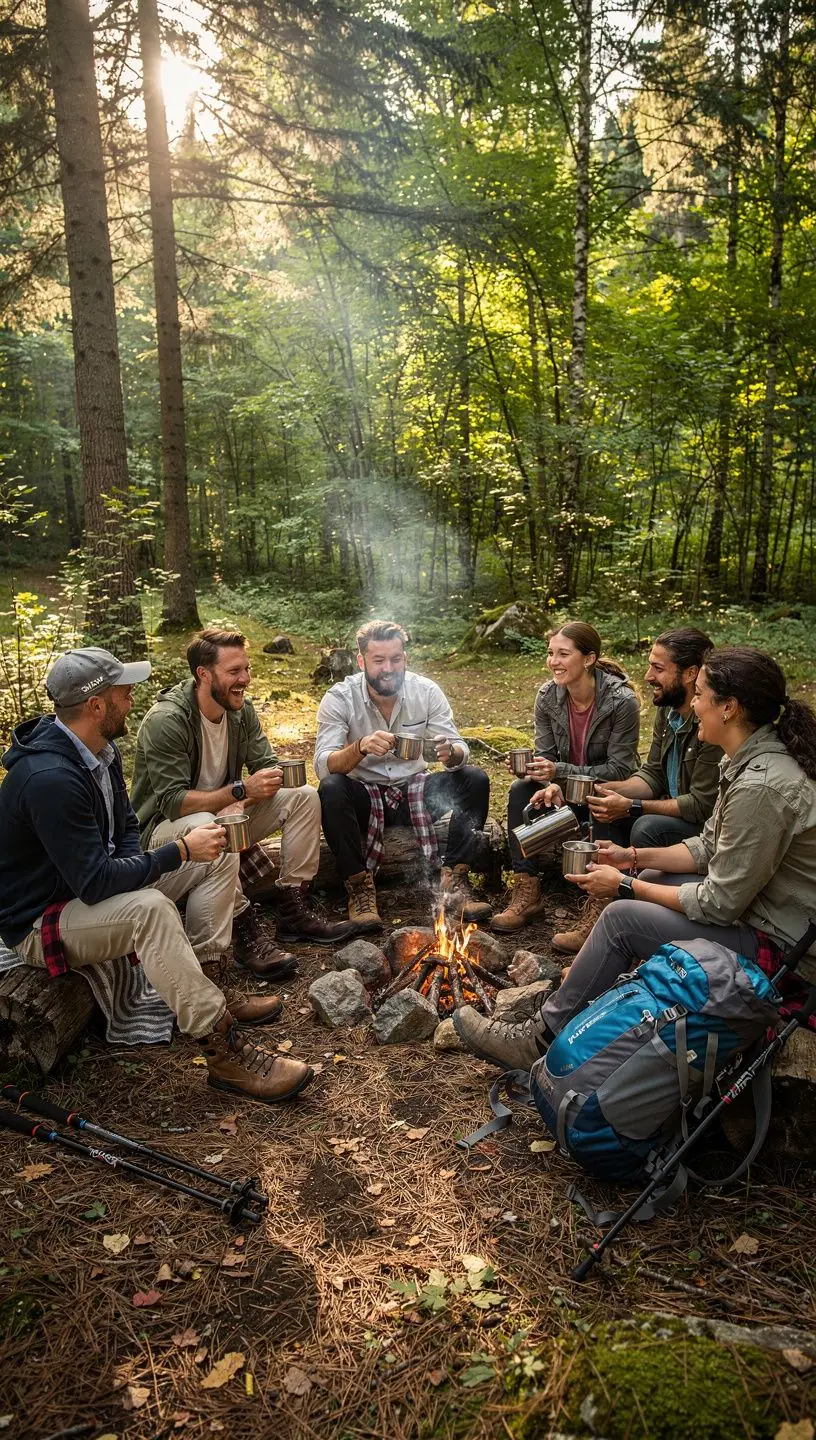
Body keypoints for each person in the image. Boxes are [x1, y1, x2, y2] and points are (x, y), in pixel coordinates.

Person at [453, 646, 816, 1070]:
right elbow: (707, 847)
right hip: (762, 917)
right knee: (654, 872)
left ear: (730, 708)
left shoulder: (762, 786)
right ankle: (618, 998)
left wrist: (624, 884)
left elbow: (720, 903)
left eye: (699, 695)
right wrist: (630, 856)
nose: (693, 705)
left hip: (785, 951)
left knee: (621, 916)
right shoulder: (749, 760)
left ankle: (539, 1038)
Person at [0, 648, 313, 1104]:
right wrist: (177, 852)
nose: (131, 701)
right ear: (96, 705)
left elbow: (126, 825)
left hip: (89, 890)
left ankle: (211, 981)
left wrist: (162, 861)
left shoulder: (99, 751)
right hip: (44, 917)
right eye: (123, 693)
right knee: (150, 909)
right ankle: (222, 1049)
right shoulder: (50, 780)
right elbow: (93, 884)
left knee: (216, 847)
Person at [130, 628, 354, 973]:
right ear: (203, 674)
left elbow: (266, 768)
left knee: (303, 796)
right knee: (208, 826)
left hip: (221, 817)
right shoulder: (168, 721)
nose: (245, 679)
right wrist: (239, 793)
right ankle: (244, 928)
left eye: (246, 669)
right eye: (234, 671)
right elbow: (174, 803)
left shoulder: (239, 710)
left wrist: (240, 802)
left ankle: (294, 908)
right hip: (164, 834)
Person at [545, 625, 722, 953]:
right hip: (678, 810)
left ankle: (638, 912)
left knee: (647, 825)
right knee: (605, 803)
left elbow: (701, 805)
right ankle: (599, 910)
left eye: (658, 668)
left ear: (690, 673)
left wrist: (634, 807)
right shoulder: (668, 713)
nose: (648, 676)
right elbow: (651, 776)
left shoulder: (711, 725)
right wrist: (602, 791)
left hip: (706, 829)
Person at [315, 620, 491, 931]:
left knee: (474, 779)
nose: (389, 668)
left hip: (416, 796)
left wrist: (451, 753)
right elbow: (322, 764)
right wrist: (360, 747)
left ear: (405, 658)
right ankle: (359, 888)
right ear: (362, 661)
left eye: (396, 659)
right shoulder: (340, 697)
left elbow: (460, 746)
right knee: (331, 788)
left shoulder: (425, 691)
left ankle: (454, 880)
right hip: (364, 797)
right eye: (379, 660)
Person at [492, 621, 640, 935]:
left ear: (588, 659)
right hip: (565, 796)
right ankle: (526, 889)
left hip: (606, 794)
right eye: (550, 653)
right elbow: (546, 755)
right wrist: (543, 780)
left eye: (563, 654)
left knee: (602, 796)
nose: (553, 661)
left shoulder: (621, 702)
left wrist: (559, 773)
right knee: (521, 789)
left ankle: (599, 904)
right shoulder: (547, 696)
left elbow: (620, 770)